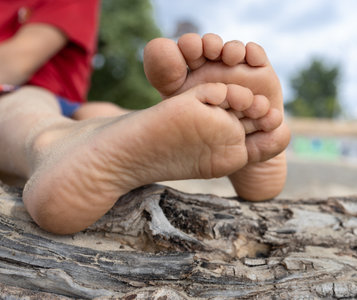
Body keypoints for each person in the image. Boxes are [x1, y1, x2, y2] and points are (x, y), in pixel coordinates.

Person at [0, 0, 290, 234]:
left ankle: (57, 147)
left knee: (100, 116)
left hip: (46, 99)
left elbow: (13, 64)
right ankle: (60, 145)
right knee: (35, 107)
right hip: (34, 100)